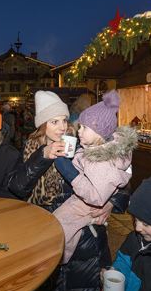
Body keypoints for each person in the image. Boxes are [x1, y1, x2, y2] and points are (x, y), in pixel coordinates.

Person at [9, 90, 130, 291]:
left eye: (64, 120)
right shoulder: (32, 147)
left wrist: (111, 203)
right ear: (42, 124)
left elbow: (121, 185)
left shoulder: (86, 143)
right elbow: (17, 187)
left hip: (85, 239)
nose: (62, 127)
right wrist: (43, 157)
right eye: (54, 121)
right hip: (46, 233)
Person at [53, 90, 137, 263]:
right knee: (57, 227)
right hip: (78, 203)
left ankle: (56, 263)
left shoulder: (102, 159)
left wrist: (70, 172)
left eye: (84, 127)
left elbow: (98, 195)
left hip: (84, 207)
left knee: (59, 232)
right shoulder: (94, 149)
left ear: (99, 133)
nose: (78, 131)